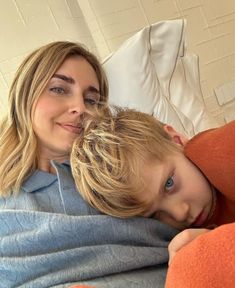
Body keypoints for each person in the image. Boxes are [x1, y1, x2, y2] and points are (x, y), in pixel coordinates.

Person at [0, 41, 177, 288]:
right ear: (25, 95)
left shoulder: (122, 172)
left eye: (92, 100)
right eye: (59, 89)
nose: (80, 108)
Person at [71, 107, 235, 287]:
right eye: (155, 215)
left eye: (169, 184)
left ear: (177, 140)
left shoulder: (224, 150)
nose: (179, 214)